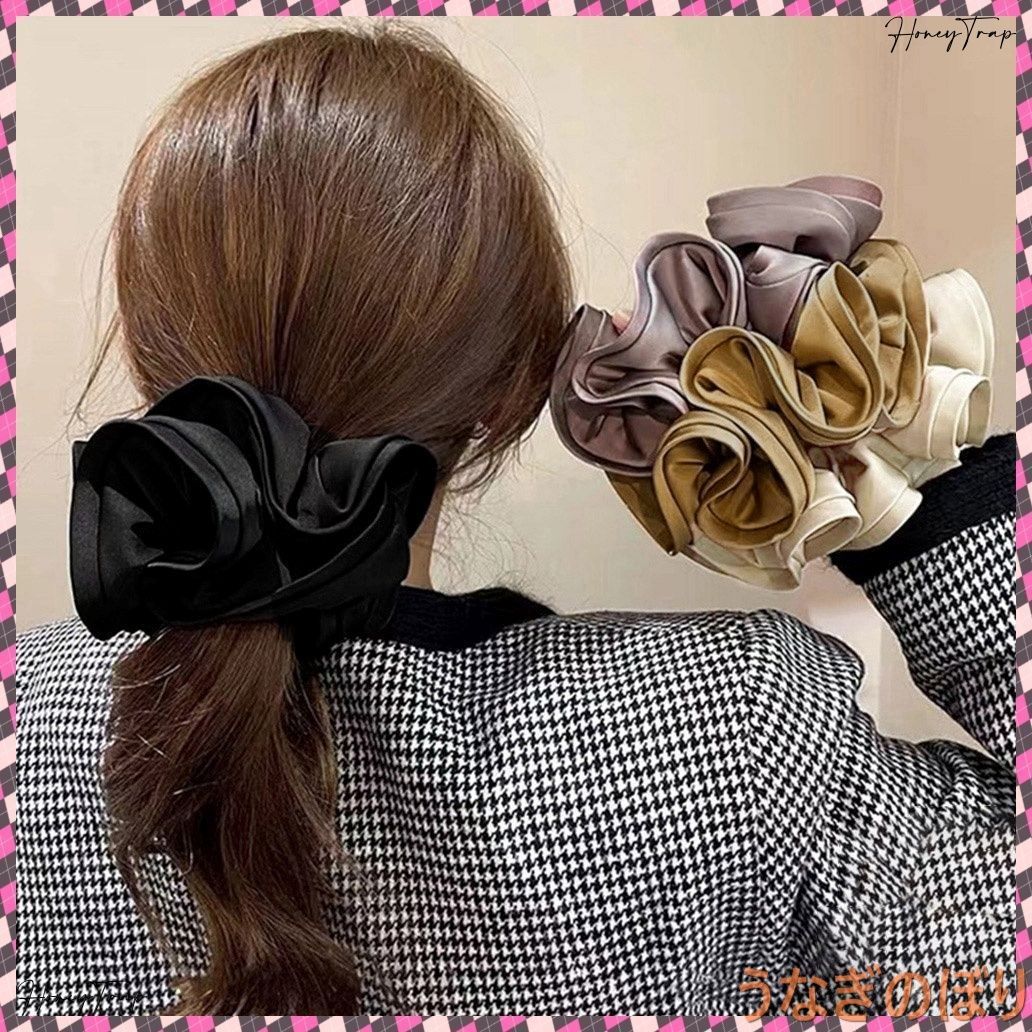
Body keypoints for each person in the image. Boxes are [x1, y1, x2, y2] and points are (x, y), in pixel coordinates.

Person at [17, 25, 1015, 1018]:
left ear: (152, 359)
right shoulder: (732, 724)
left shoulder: (31, 723)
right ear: (512, 393)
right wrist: (889, 462)